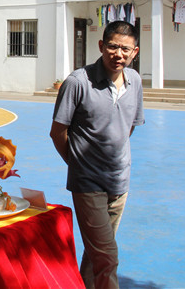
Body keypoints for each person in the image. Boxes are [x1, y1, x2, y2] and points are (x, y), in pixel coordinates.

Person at [49, 20, 144, 288]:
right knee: (107, 258)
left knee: (96, 254)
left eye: (125, 49)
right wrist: (79, 164)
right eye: (113, 47)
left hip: (120, 182)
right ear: (101, 46)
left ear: (135, 52)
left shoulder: (135, 81)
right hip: (88, 184)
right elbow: (58, 132)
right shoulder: (78, 82)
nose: (118, 54)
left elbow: (128, 128)